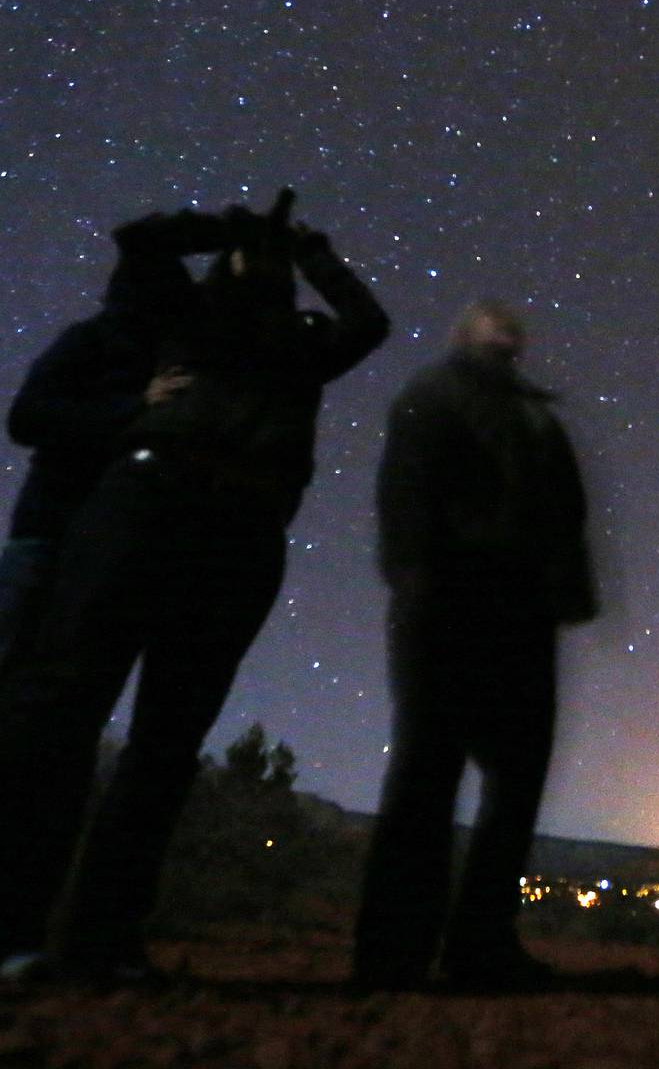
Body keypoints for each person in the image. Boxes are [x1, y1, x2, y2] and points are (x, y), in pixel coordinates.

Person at [0, 192, 389, 982]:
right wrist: (229, 230)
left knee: (167, 747)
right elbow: (139, 240)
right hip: (146, 504)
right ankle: (13, 931)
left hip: (242, 536)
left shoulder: (307, 340)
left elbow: (370, 322)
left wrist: (309, 249)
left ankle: (103, 940)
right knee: (65, 711)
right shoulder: (182, 312)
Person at [355, 300, 596, 992]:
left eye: (512, 325)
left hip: (522, 609)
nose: (507, 332)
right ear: (464, 333)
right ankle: (393, 954)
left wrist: (568, 595)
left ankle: (481, 945)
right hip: (451, 601)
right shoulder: (432, 397)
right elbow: (404, 493)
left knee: (515, 783)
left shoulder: (536, 417)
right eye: (492, 322)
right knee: (428, 772)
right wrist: (414, 579)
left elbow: (567, 513)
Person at [0, 228, 195, 678]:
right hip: (48, 532)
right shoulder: (90, 340)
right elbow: (26, 418)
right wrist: (134, 406)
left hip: (104, 542)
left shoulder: (164, 361)